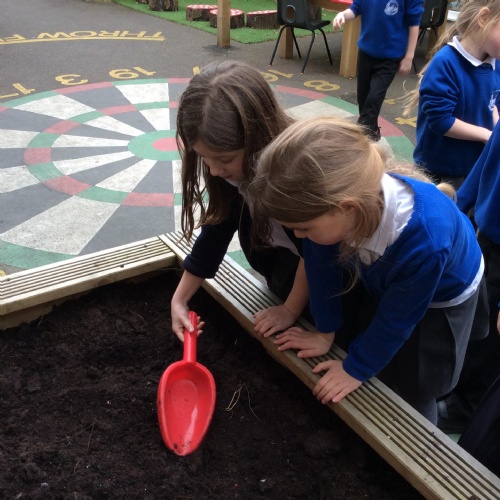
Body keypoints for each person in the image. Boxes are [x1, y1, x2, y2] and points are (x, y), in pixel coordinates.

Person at [248, 116, 488, 425]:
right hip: (392, 275)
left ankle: (422, 435)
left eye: (304, 228)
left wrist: (355, 369)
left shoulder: (426, 242)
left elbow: (398, 319)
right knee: (378, 343)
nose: (298, 236)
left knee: (417, 381)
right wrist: (325, 331)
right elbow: (320, 266)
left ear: (347, 208)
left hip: (443, 297)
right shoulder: (338, 208)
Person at [170, 60, 309, 342]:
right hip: (285, 265)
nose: (214, 171)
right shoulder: (232, 170)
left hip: (333, 280)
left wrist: (290, 310)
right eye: (204, 158)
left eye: (224, 159)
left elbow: (318, 253)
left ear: (259, 136)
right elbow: (217, 229)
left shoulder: (298, 172)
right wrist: (180, 299)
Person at [439, 121, 500, 433]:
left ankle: (465, 407)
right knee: (478, 321)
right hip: (488, 232)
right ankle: (458, 389)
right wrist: (459, 206)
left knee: (491, 341)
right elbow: (492, 154)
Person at [406, 0, 500, 190]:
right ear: (483, 18)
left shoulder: (494, 62)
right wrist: (487, 136)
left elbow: (493, 103)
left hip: (474, 166)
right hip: (442, 171)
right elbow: (441, 121)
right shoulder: (445, 63)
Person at [332, 0, 423, 142]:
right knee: (363, 98)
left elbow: (414, 23)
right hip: (366, 53)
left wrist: (409, 56)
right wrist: (342, 15)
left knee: (374, 98)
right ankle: (372, 130)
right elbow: (355, 8)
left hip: (390, 58)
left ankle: (360, 137)